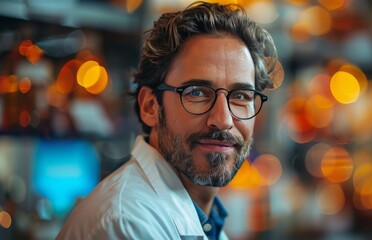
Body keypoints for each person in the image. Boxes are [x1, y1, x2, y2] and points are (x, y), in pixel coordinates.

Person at [56, 1, 279, 239]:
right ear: (150, 106)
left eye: (241, 96)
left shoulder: (206, 218)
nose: (223, 120)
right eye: (196, 92)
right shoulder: (127, 223)